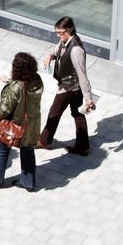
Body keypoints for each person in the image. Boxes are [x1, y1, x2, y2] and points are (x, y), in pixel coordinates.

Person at [0, 52, 44, 191]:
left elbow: (5, 108)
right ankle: (28, 182)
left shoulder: (17, 87)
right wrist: (10, 81)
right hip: (32, 124)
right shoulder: (37, 80)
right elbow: (23, 89)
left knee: (1, 147)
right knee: (28, 150)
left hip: (17, 124)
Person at [43, 15, 96, 157]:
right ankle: (83, 146)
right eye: (57, 32)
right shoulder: (65, 42)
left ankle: (44, 141)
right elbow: (55, 51)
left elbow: (82, 75)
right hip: (71, 87)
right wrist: (49, 56)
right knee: (77, 114)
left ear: (69, 30)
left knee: (54, 113)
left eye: (60, 33)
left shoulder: (76, 50)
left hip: (69, 88)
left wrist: (88, 98)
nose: (58, 35)